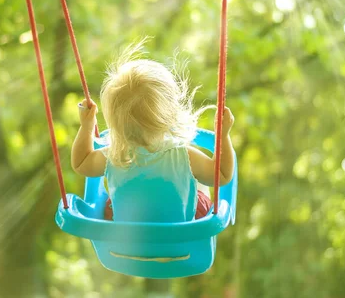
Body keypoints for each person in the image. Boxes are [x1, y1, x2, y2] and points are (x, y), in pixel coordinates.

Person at [71, 45, 235, 222]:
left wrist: (86, 127)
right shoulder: (184, 156)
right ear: (170, 113)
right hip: (181, 242)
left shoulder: (113, 156)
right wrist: (223, 136)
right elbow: (222, 175)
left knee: (114, 203)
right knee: (200, 185)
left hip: (126, 245)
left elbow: (81, 163)